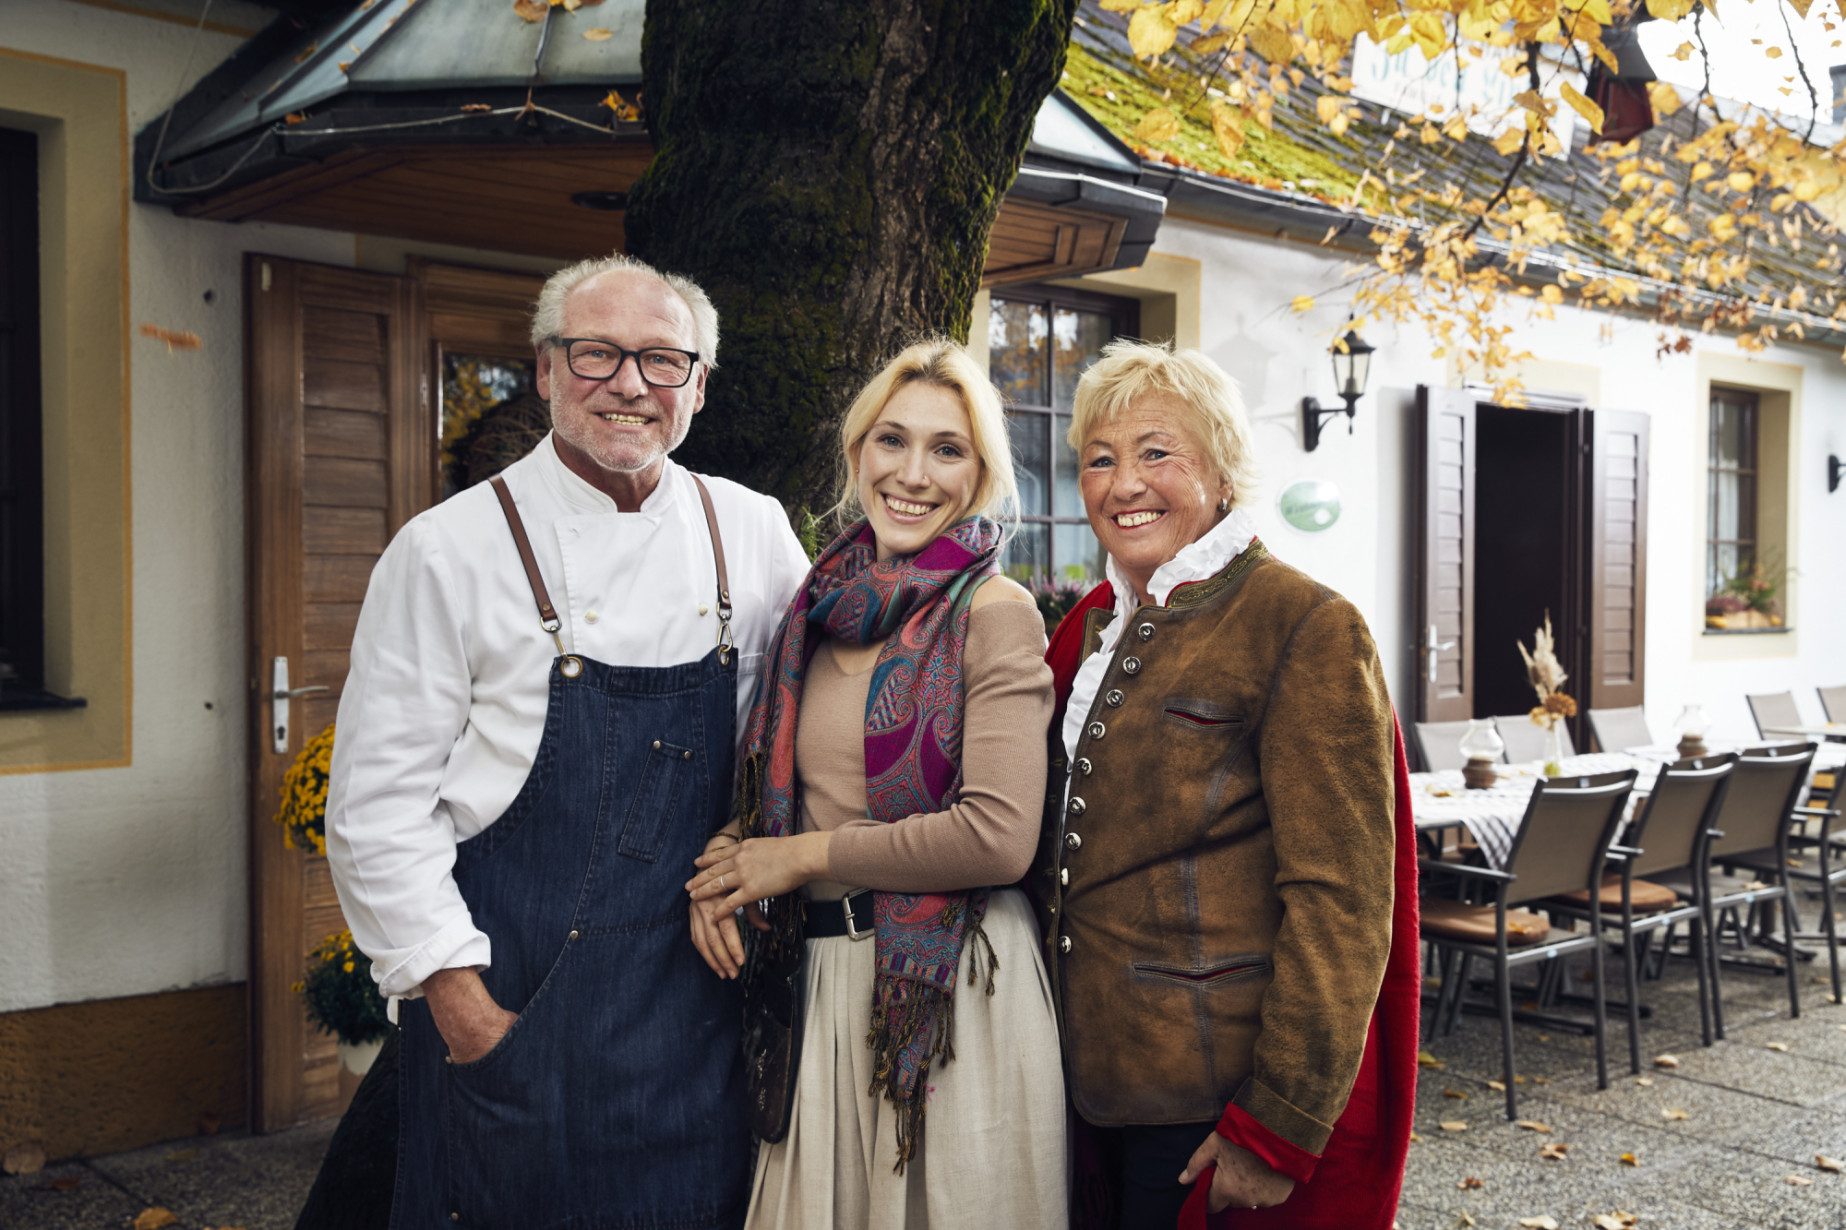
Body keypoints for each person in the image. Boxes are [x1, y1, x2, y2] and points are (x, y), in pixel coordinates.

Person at [325, 253, 810, 1230]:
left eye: (662, 361)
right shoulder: (447, 550)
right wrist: (470, 1023)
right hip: (512, 1009)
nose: (630, 384)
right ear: (545, 371)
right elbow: (375, 812)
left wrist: (744, 849)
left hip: (694, 1017)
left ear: (698, 386)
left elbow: (801, 739)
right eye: (596, 354)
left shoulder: (751, 533)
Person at [1034, 341, 1419, 1229]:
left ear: (1221, 471)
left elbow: (1343, 898)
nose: (1123, 483)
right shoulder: (1089, 630)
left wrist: (1278, 1121)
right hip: (1081, 1085)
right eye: (1100, 459)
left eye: (1156, 452)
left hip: (1210, 1105)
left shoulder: (1303, 623)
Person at [684, 339, 1068, 1229]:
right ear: (857, 453)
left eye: (948, 449)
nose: (913, 473)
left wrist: (798, 857)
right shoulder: (814, 607)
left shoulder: (994, 611)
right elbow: (795, 801)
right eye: (892, 441)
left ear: (979, 475)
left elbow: (998, 837)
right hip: (818, 983)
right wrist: (732, 865)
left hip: (951, 995)